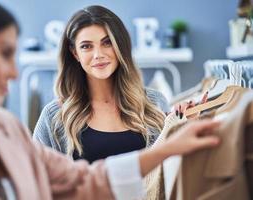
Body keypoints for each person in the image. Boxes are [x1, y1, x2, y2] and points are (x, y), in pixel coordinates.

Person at [0, 0, 221, 199]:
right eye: (4, 53)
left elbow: (86, 179)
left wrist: (174, 136)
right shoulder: (53, 117)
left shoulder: (8, 129)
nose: (14, 71)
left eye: (107, 43)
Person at [33, 5, 171, 163]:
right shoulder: (54, 117)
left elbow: (171, 170)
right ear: (75, 53)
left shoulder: (155, 103)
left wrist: (183, 126)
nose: (98, 55)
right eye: (86, 46)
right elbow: (34, 178)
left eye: (107, 43)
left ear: (120, 45)